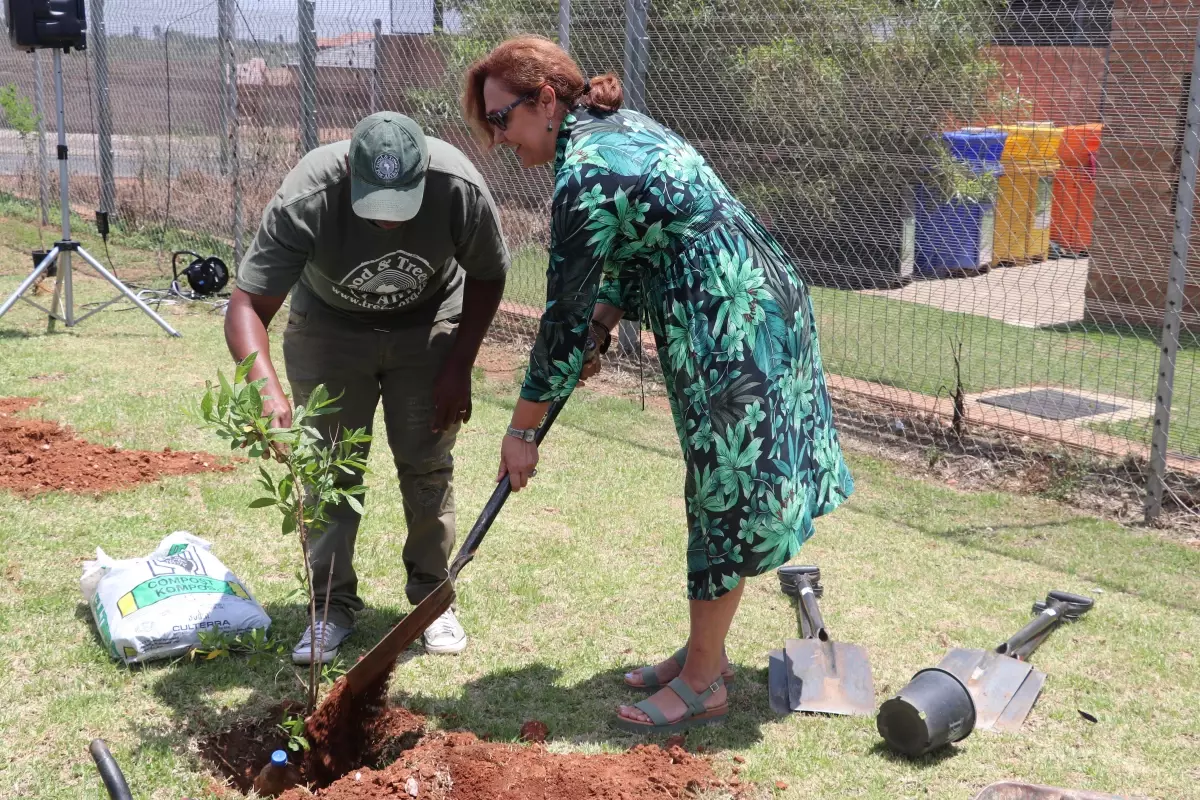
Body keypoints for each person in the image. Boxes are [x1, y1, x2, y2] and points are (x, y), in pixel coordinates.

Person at [461, 36, 855, 733]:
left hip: (730, 320)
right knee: (714, 488)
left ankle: (704, 680)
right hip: (750, 301)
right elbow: (634, 245)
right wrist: (602, 324)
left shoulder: (585, 172)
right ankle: (706, 650)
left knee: (722, 492)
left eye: (501, 118)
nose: (498, 137)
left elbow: (559, 321)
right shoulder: (615, 128)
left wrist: (523, 431)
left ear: (546, 100)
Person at [225, 111, 510, 664]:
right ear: (350, 175)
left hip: (426, 325)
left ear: (423, 175)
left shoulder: (457, 186)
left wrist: (459, 363)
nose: (386, 223)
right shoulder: (308, 194)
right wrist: (266, 391)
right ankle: (330, 606)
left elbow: (489, 274)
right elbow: (247, 305)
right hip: (330, 328)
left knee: (427, 462)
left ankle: (432, 597)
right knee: (331, 469)